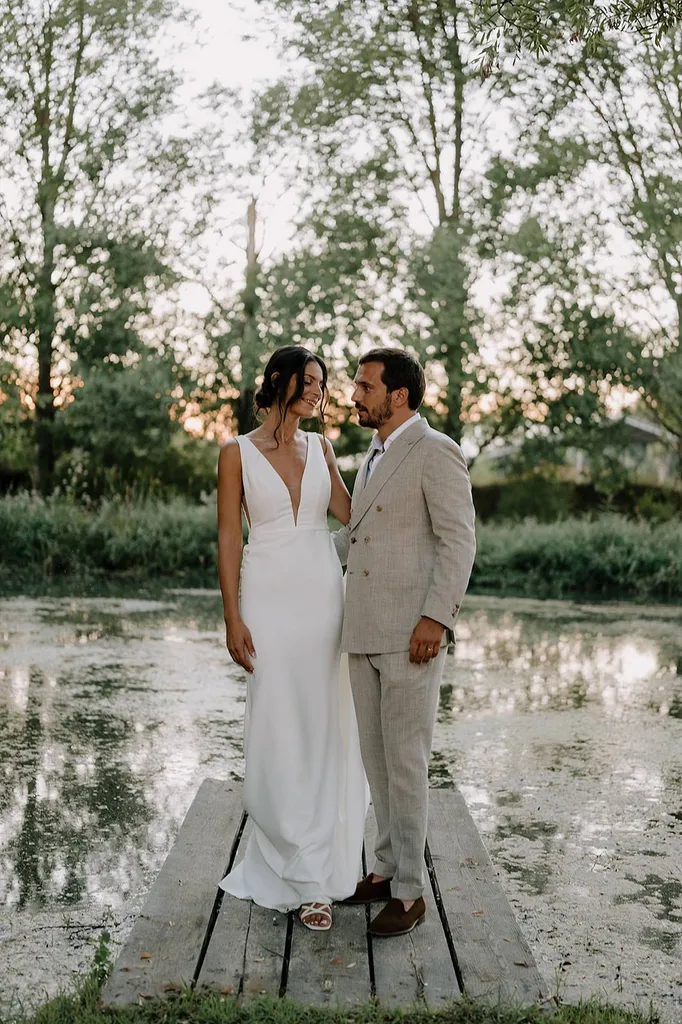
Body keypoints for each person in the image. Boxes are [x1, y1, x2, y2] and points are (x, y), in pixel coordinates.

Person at [217, 346, 367, 931]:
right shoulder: (235, 454)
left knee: (323, 720)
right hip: (268, 598)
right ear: (278, 382)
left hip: (323, 597)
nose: (318, 393)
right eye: (308, 382)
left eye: (322, 385)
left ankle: (319, 871)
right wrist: (233, 617)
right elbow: (231, 538)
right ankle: (286, 851)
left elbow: (353, 517)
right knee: (277, 719)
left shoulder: (321, 449)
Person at [334, 348, 476, 937]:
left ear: (399, 395)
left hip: (410, 636)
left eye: (365, 387)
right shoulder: (372, 454)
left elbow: (458, 542)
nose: (354, 396)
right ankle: (388, 868)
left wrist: (435, 620)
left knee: (407, 764)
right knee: (376, 761)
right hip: (363, 630)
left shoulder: (435, 450)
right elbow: (357, 540)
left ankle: (413, 893)